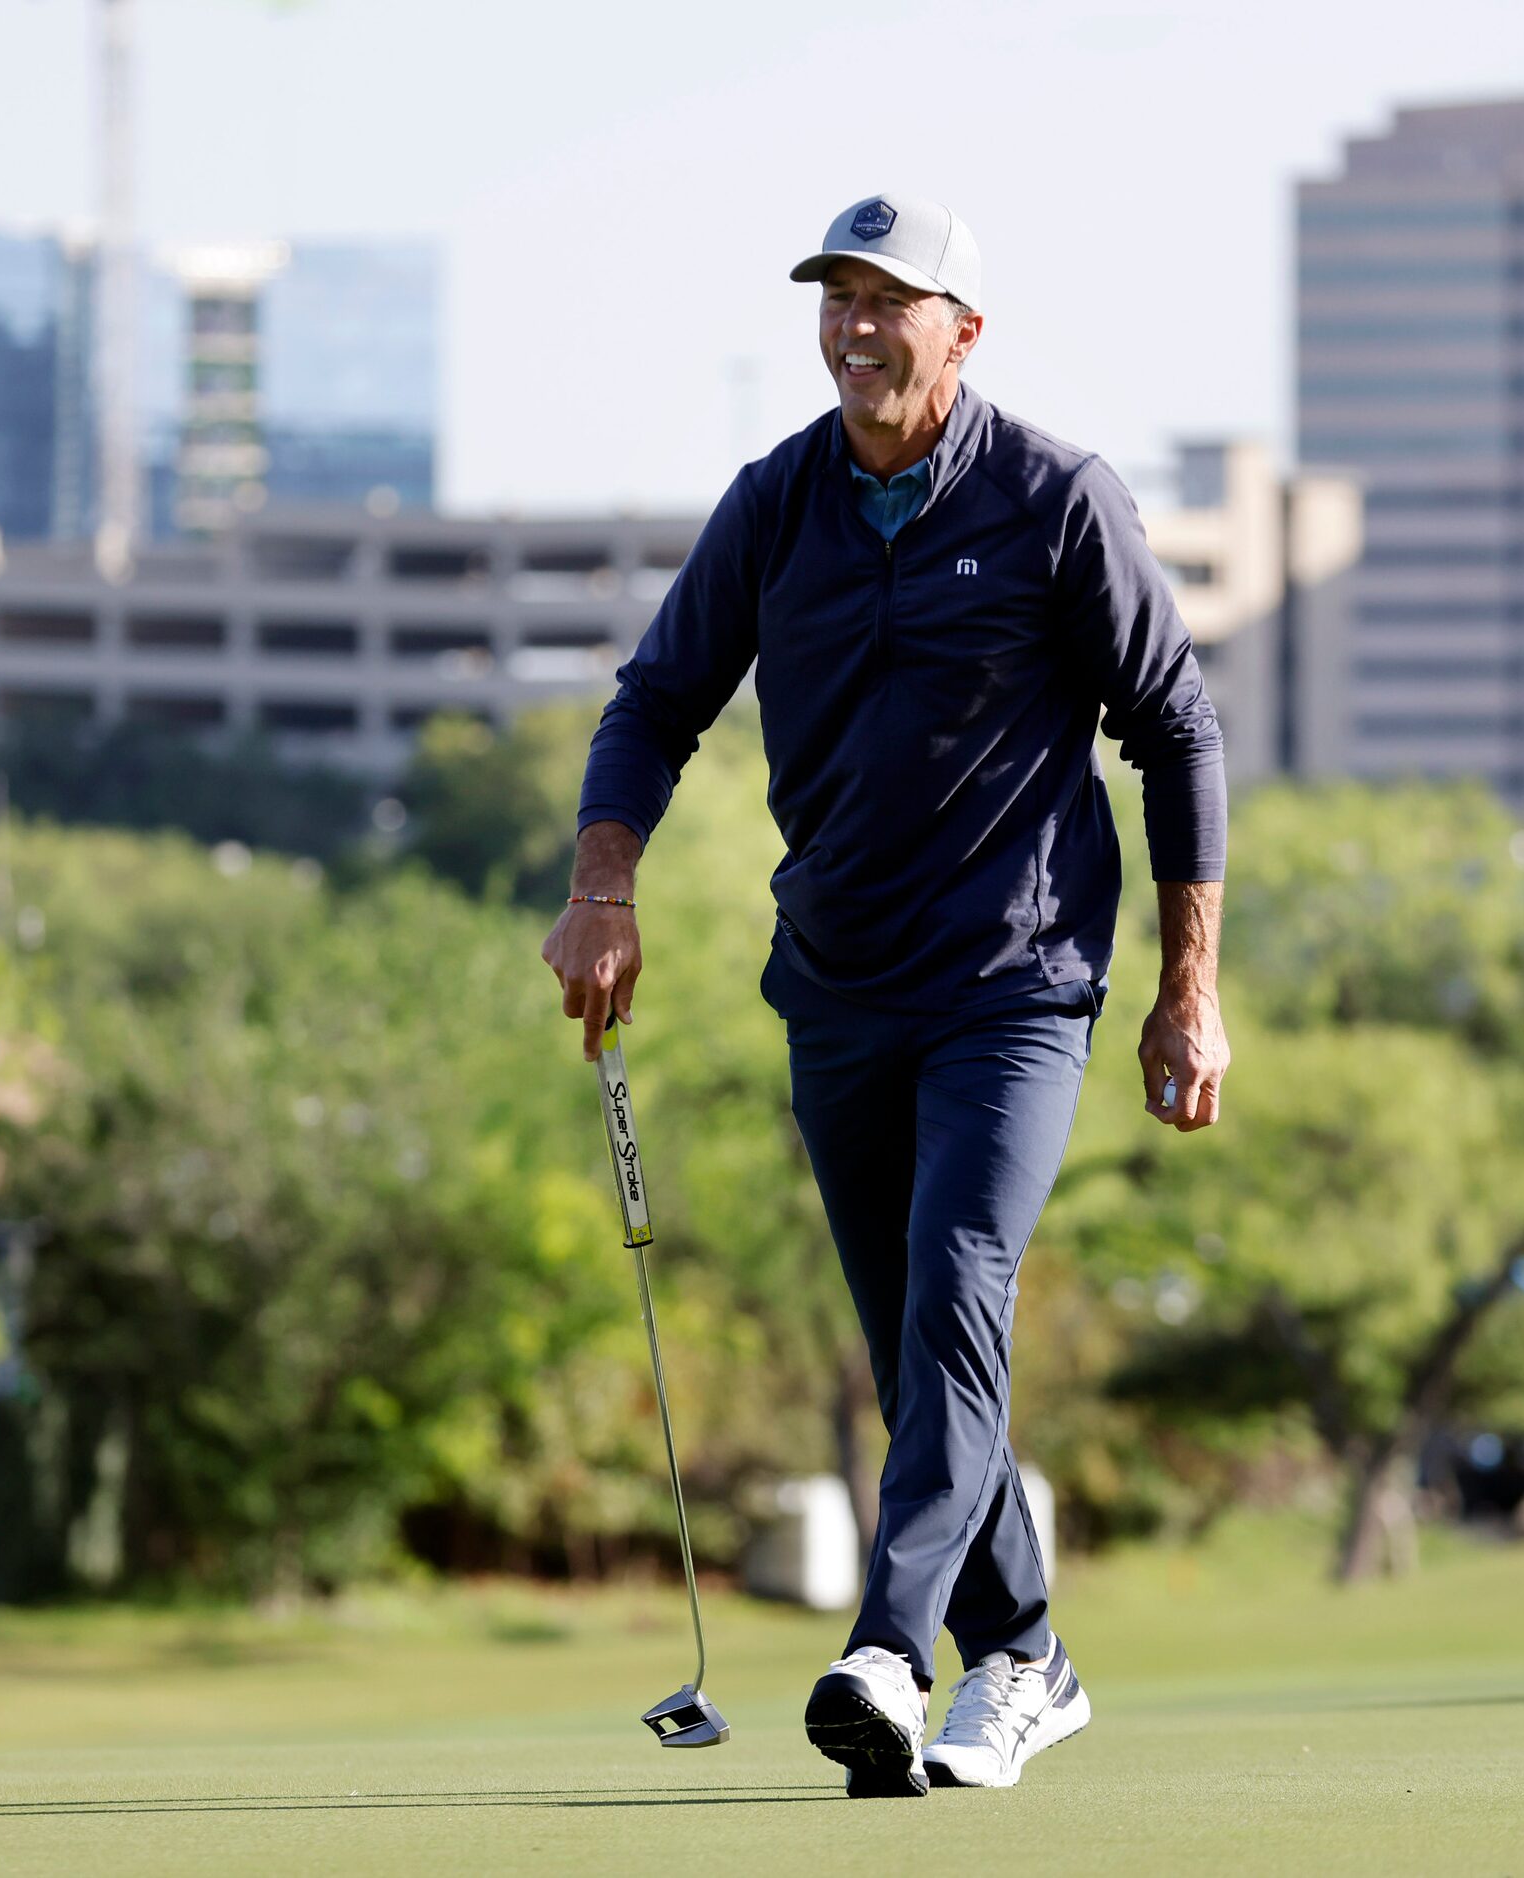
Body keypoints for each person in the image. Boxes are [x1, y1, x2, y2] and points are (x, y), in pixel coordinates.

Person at [540, 193, 1228, 1798]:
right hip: (839, 988)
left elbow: (1178, 731)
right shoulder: (776, 504)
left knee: (957, 1280)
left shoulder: (1057, 499)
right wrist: (602, 885)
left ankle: (888, 1650)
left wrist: (1189, 991)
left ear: (961, 331)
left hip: (1017, 986)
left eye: (890, 300)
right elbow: (654, 702)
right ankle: (1029, 1656)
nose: (856, 326)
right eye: (837, 298)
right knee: (918, 1339)